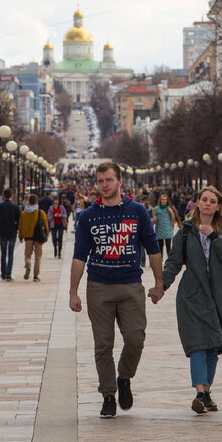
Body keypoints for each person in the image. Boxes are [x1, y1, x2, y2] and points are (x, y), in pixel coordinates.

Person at [69, 162, 163, 419]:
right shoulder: (88, 216)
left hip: (131, 284)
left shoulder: (138, 211)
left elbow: (153, 248)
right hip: (99, 286)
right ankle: (108, 395)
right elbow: (79, 256)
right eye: (100, 181)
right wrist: (73, 291)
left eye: (109, 180)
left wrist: (159, 282)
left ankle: (124, 377)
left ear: (120, 181)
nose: (105, 185)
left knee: (135, 338)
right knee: (103, 344)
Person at [158, 186, 222, 414]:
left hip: (219, 295)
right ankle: (200, 392)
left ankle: (206, 392)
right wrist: (162, 285)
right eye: (204, 199)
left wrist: (213, 236)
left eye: (212, 200)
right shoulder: (185, 232)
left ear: (218, 206)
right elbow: (174, 261)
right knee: (198, 343)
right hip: (193, 295)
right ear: (197, 203)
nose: (208, 203)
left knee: (213, 345)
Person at [17, 194, 50, 281]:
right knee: (38, 256)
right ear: (36, 202)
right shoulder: (40, 212)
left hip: (28, 237)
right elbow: (46, 224)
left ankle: (28, 265)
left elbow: (20, 225)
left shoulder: (23, 213)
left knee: (27, 255)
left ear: (28, 202)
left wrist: (20, 236)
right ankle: (36, 275)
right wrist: (47, 234)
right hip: (38, 237)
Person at [0, 188, 22, 281]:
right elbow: (19, 221)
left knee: (3, 253)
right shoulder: (15, 207)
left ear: (4, 196)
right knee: (11, 253)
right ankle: (8, 274)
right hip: (12, 232)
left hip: (3, 232)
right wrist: (16, 228)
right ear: (11, 196)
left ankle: (3, 273)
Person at [152, 193, 179, 258]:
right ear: (160, 200)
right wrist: (154, 219)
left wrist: (171, 212)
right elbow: (154, 220)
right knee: (160, 246)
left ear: (167, 200)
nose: (164, 201)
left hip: (168, 230)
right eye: (162, 199)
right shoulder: (155, 209)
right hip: (159, 230)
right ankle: (160, 260)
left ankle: (169, 261)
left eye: (165, 199)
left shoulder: (170, 208)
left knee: (168, 246)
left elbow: (174, 220)